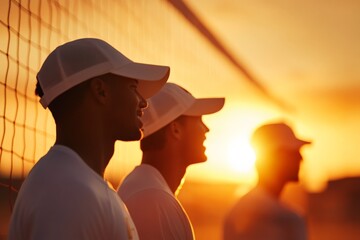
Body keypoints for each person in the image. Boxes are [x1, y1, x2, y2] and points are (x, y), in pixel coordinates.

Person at [8, 38, 170, 240]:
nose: (144, 102)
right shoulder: (68, 193)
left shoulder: (76, 183)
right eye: (133, 88)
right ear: (100, 91)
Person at [118, 82, 225, 239]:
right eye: (198, 119)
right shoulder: (153, 200)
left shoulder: (147, 190)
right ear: (175, 129)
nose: (206, 129)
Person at [223, 121, 311, 240]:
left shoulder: (240, 209)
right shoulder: (282, 218)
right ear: (275, 157)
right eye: (293, 152)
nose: (301, 158)